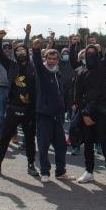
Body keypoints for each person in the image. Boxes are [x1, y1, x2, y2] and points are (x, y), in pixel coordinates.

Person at [0, 25, 38, 177]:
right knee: (5, 138)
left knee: (29, 139)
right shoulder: (11, 65)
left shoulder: (34, 66)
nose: (21, 53)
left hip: (30, 109)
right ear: (15, 54)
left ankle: (31, 165)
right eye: (18, 51)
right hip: (13, 107)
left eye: (23, 51)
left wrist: (29, 37)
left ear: (27, 52)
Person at [72, 22, 106, 186]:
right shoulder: (81, 72)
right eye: (88, 53)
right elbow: (77, 95)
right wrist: (84, 114)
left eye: (94, 53)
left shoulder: (105, 66)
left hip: (103, 111)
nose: (91, 55)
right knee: (88, 143)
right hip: (87, 112)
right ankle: (89, 171)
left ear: (98, 54)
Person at [27, 36, 70, 182]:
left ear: (58, 60)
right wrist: (36, 49)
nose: (52, 61)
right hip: (44, 114)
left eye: (54, 59)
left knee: (61, 147)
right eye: (49, 58)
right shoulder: (42, 71)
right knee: (43, 146)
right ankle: (45, 172)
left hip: (57, 116)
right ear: (46, 58)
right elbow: (37, 63)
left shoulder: (58, 73)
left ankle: (60, 172)